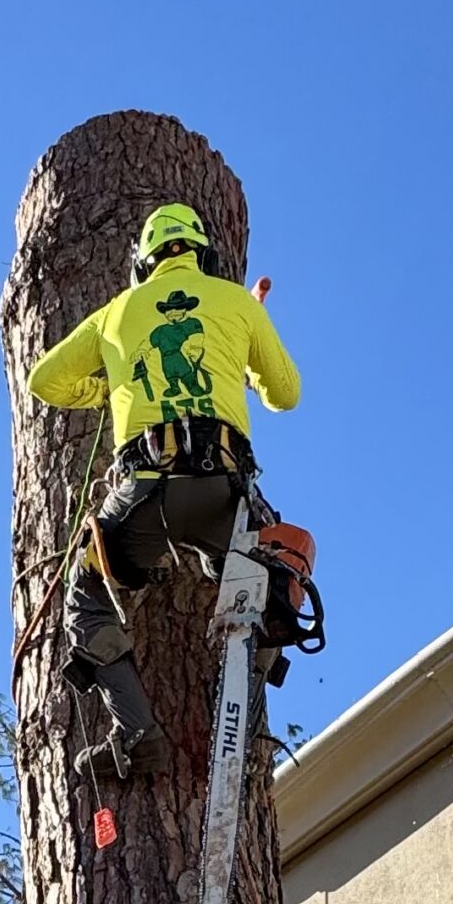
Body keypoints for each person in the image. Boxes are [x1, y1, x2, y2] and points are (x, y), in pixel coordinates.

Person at [26, 203, 302, 779]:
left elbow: (44, 380)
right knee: (283, 567)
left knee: (85, 594)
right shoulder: (233, 303)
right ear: (203, 252)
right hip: (222, 495)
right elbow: (285, 395)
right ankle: (243, 709)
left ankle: (137, 735)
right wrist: (247, 347)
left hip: (145, 492)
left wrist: (103, 387)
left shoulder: (116, 312)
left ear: (144, 262)